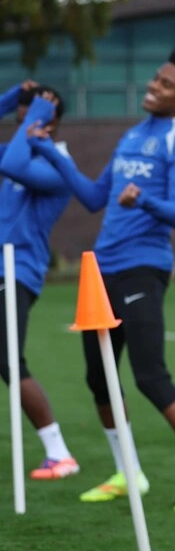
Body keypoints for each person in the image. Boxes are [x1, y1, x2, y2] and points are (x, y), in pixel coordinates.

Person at [30, 50, 175, 513]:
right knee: (99, 378)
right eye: (156, 78)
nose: (153, 86)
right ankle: (128, 473)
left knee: (149, 376)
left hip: (143, 266)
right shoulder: (132, 135)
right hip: (100, 271)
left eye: (166, 84)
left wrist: (142, 199)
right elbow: (93, 197)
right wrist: (51, 152)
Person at [0, 85, 81, 480]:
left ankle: (59, 453)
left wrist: (36, 114)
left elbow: (15, 165)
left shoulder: (58, 163)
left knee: (8, 360)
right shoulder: (15, 148)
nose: (23, 118)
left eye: (31, 113)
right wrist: (15, 94)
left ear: (51, 120)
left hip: (16, 270)